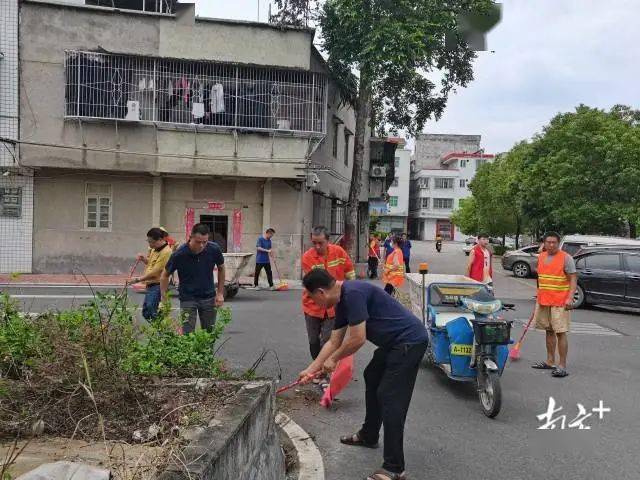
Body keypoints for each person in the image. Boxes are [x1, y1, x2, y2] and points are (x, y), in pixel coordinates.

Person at [299, 269, 429, 480]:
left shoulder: (353, 293)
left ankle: (394, 468)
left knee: (390, 396)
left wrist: (334, 360)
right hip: (393, 343)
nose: (315, 304)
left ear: (321, 292)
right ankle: (369, 435)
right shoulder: (342, 302)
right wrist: (311, 369)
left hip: (409, 342)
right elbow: (334, 342)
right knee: (372, 375)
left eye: (313, 298)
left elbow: (358, 338)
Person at [301, 226, 356, 364]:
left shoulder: (339, 252)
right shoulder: (307, 257)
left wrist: (351, 291)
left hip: (334, 306)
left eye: (321, 243)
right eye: (314, 243)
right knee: (313, 340)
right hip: (313, 306)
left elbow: (350, 272)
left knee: (328, 340)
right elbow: (311, 285)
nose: (317, 246)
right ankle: (318, 364)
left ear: (328, 240)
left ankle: (322, 370)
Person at [160, 223, 225, 334]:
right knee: (188, 335)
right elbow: (164, 275)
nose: (201, 245)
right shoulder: (180, 254)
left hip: (208, 297)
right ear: (190, 237)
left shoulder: (214, 249)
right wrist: (164, 298)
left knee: (208, 334)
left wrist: (220, 293)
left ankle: (206, 352)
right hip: (188, 298)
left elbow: (221, 268)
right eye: (198, 242)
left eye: (205, 242)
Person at [531, 232, 577, 378]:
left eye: (554, 242)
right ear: (544, 243)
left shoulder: (566, 258)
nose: (551, 245)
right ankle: (550, 361)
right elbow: (541, 278)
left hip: (560, 302)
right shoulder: (542, 257)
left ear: (558, 243)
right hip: (544, 300)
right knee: (548, 331)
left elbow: (573, 278)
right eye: (548, 242)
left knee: (560, 332)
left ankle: (562, 365)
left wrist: (570, 297)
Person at [129, 227, 173, 321]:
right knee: (146, 312)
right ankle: (162, 331)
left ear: (161, 239)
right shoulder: (154, 249)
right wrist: (144, 259)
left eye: (152, 242)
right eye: (149, 242)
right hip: (150, 284)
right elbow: (151, 263)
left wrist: (137, 279)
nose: (150, 245)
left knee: (151, 310)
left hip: (158, 284)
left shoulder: (166, 252)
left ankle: (164, 331)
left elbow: (156, 272)